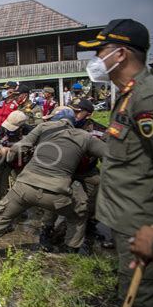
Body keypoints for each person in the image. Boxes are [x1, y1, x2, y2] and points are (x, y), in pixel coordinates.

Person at [0, 107, 106, 268]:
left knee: (0, 217)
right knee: (79, 214)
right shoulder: (85, 137)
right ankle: (71, 250)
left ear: (55, 118)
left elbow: (18, 149)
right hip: (57, 193)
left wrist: (9, 154)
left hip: (25, 187)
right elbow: (109, 155)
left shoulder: (43, 127)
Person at [79, 18, 153, 307]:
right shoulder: (127, 96)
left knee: (143, 300)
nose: (96, 59)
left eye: (101, 51)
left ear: (120, 54)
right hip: (127, 222)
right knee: (128, 289)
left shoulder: (148, 99)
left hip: (143, 226)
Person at [39, 98, 108, 252]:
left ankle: (89, 224)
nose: (74, 115)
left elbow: (107, 154)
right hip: (64, 170)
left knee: (99, 186)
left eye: (78, 112)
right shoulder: (61, 126)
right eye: (72, 110)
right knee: (54, 198)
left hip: (86, 171)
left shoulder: (99, 131)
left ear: (88, 115)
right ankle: (46, 230)